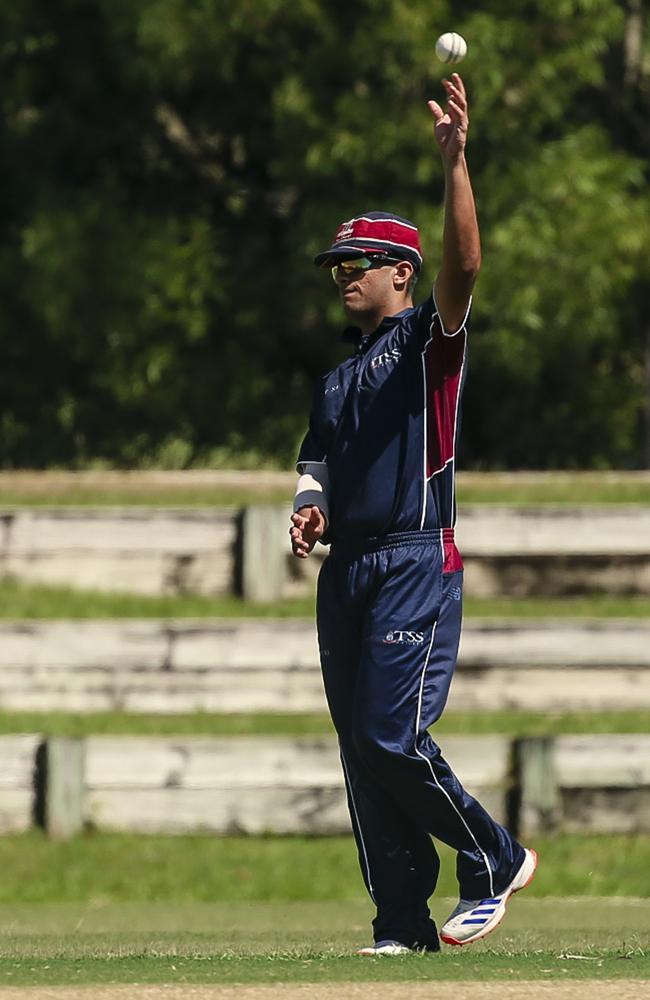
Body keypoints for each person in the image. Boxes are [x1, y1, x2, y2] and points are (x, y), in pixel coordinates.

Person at [290, 74, 536, 955]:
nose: (342, 277)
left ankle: (494, 858)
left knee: (392, 734)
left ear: (401, 271)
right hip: (348, 570)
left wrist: (457, 162)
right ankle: (401, 923)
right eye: (335, 266)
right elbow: (316, 454)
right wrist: (309, 501)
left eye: (356, 264)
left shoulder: (429, 341)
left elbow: (466, 264)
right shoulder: (338, 376)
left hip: (413, 558)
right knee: (363, 752)